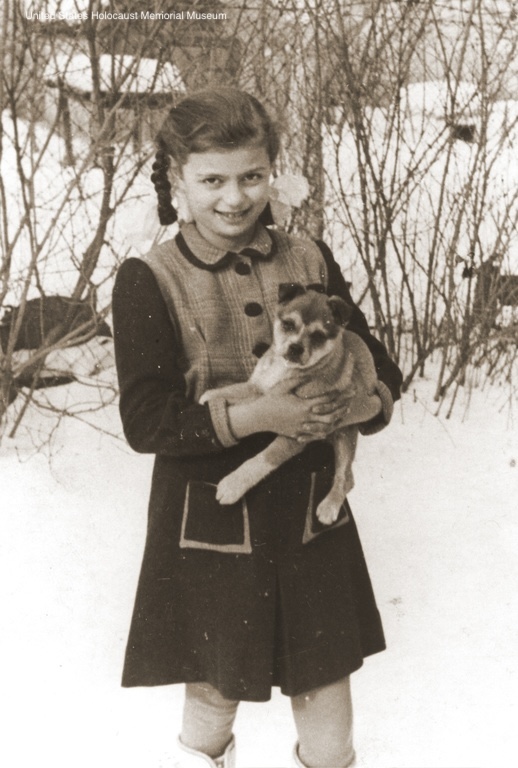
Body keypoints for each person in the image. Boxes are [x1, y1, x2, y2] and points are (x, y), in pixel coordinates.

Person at [112, 87, 402, 768]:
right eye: (211, 180)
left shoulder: (309, 260)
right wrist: (261, 415)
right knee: (214, 689)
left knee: (325, 683)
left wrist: (364, 407)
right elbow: (146, 419)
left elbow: (378, 364)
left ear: (274, 170)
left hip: (308, 513)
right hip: (209, 516)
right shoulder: (149, 278)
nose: (235, 198)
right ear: (176, 180)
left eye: (251, 176)